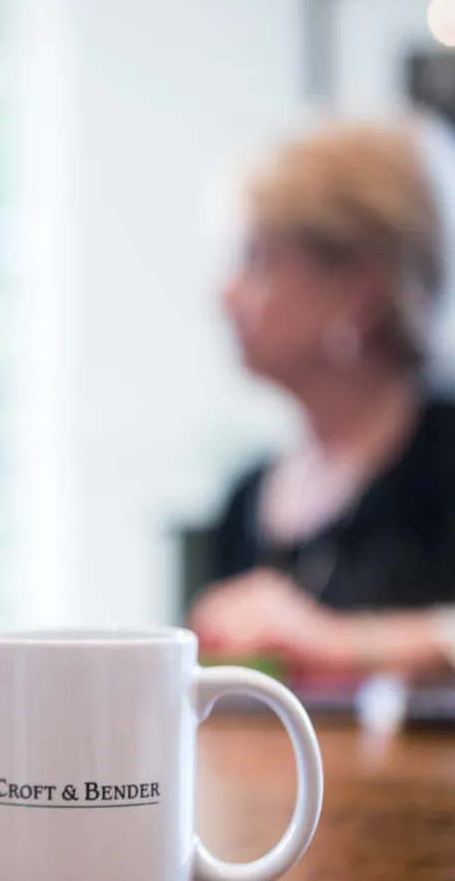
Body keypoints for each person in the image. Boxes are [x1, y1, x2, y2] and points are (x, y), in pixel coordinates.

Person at [192, 120, 455, 679]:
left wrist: (334, 642)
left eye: (259, 260)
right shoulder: (246, 498)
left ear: (358, 293)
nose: (226, 292)